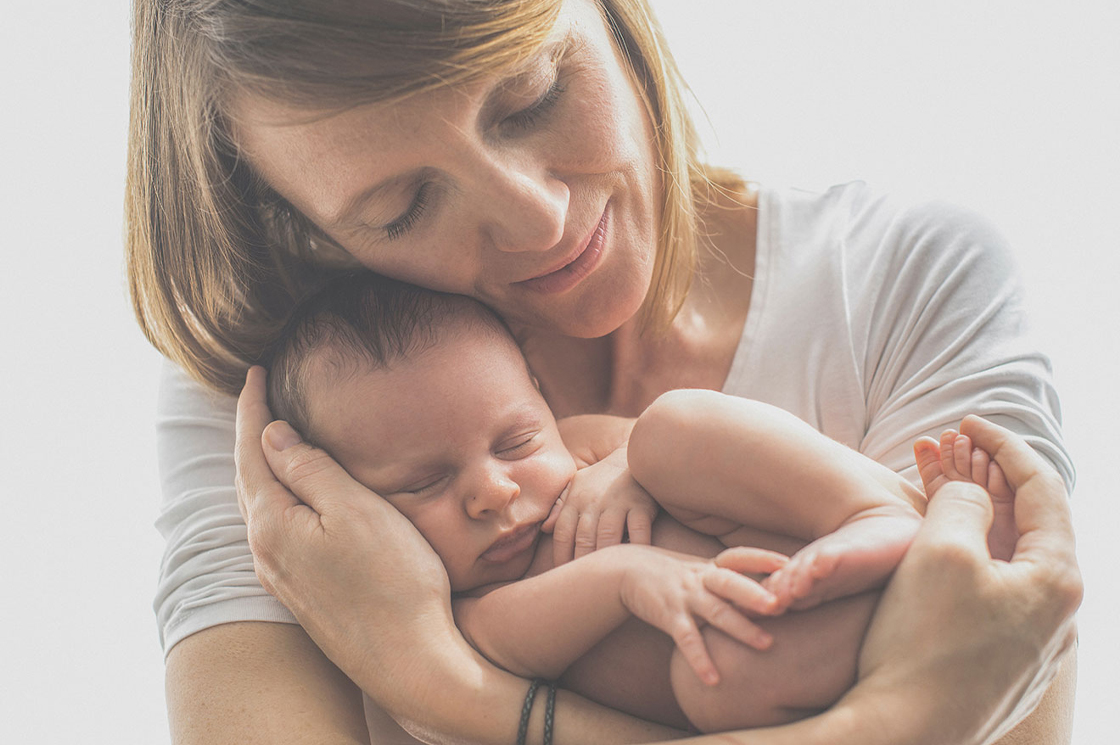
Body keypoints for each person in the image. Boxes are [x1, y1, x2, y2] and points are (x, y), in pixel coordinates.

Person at [126, 1, 1082, 743]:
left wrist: (445, 687)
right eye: (402, 205)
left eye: (535, 91)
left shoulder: (899, 279)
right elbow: (963, 674)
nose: (538, 218)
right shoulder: (294, 410)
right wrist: (904, 717)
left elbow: (1015, 631)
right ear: (303, 224)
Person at [262, 272, 932, 731]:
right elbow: (509, 647)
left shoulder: (579, 444)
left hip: (803, 545)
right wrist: (627, 576)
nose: (495, 489)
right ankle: (895, 604)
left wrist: (624, 465)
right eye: (423, 483)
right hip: (781, 648)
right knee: (716, 680)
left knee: (673, 430)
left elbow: (671, 448)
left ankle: (873, 512)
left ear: (540, 394)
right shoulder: (458, 616)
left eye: (516, 439)